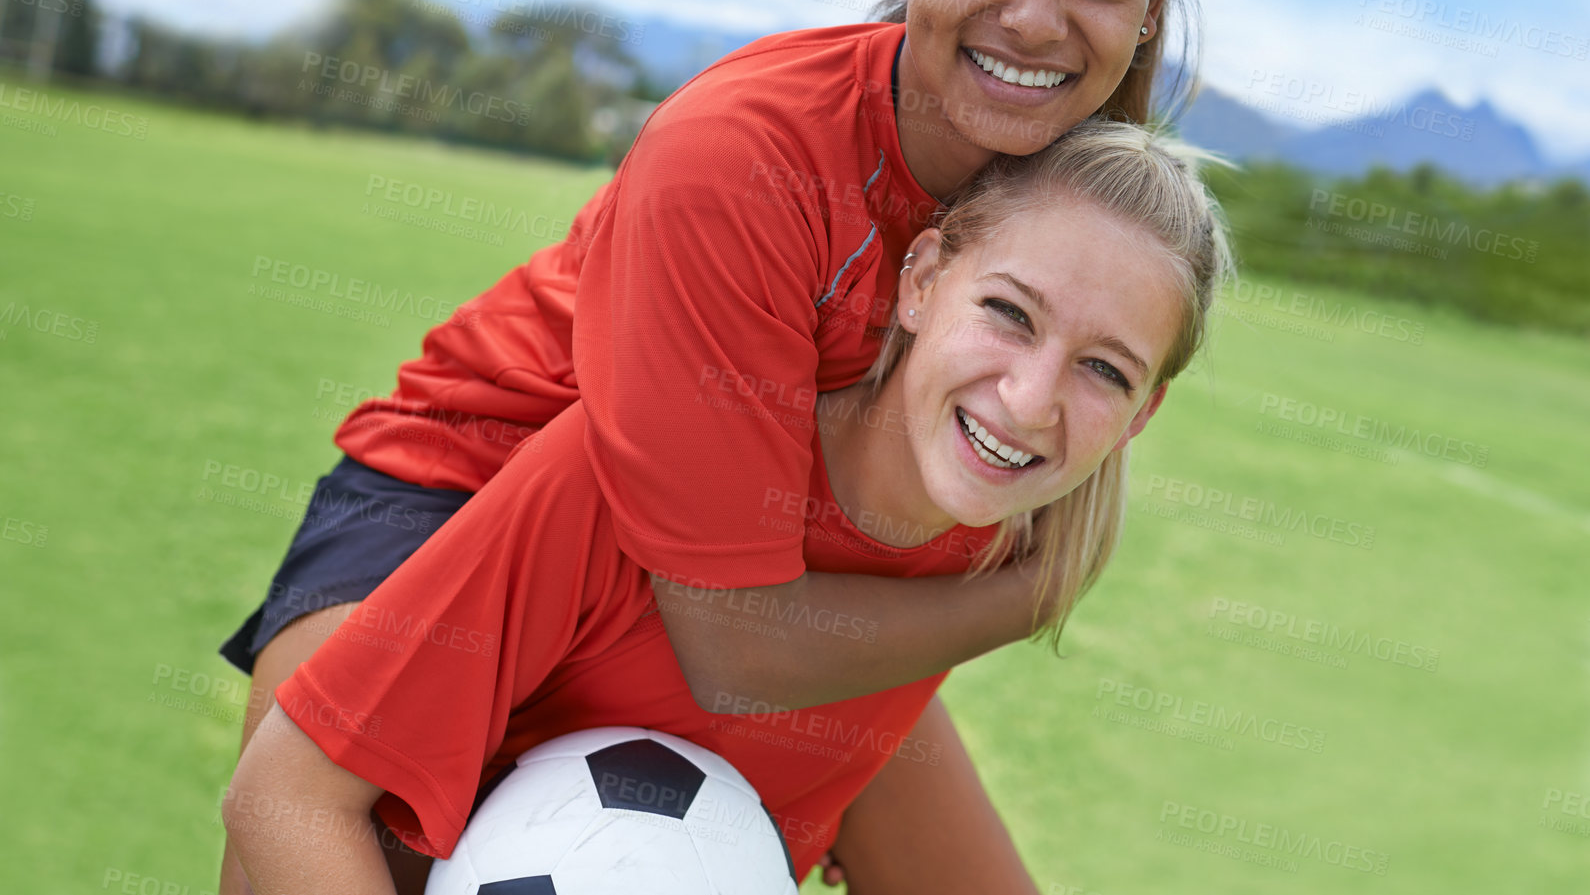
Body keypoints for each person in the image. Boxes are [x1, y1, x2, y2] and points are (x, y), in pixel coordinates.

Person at [217, 0, 1204, 893]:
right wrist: (1022, 598)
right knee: (320, 827)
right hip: (480, 496)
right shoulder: (744, 155)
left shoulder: (1069, 235)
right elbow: (734, 640)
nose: (1039, 20)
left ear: (1150, 9)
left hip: (767, 564)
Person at [224, 119, 1233, 894]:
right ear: (920, 278)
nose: (1030, 399)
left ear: (1143, 414)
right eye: (1009, 314)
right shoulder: (644, 472)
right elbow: (284, 797)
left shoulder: (1003, 538)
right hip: (443, 662)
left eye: (1104, 369)